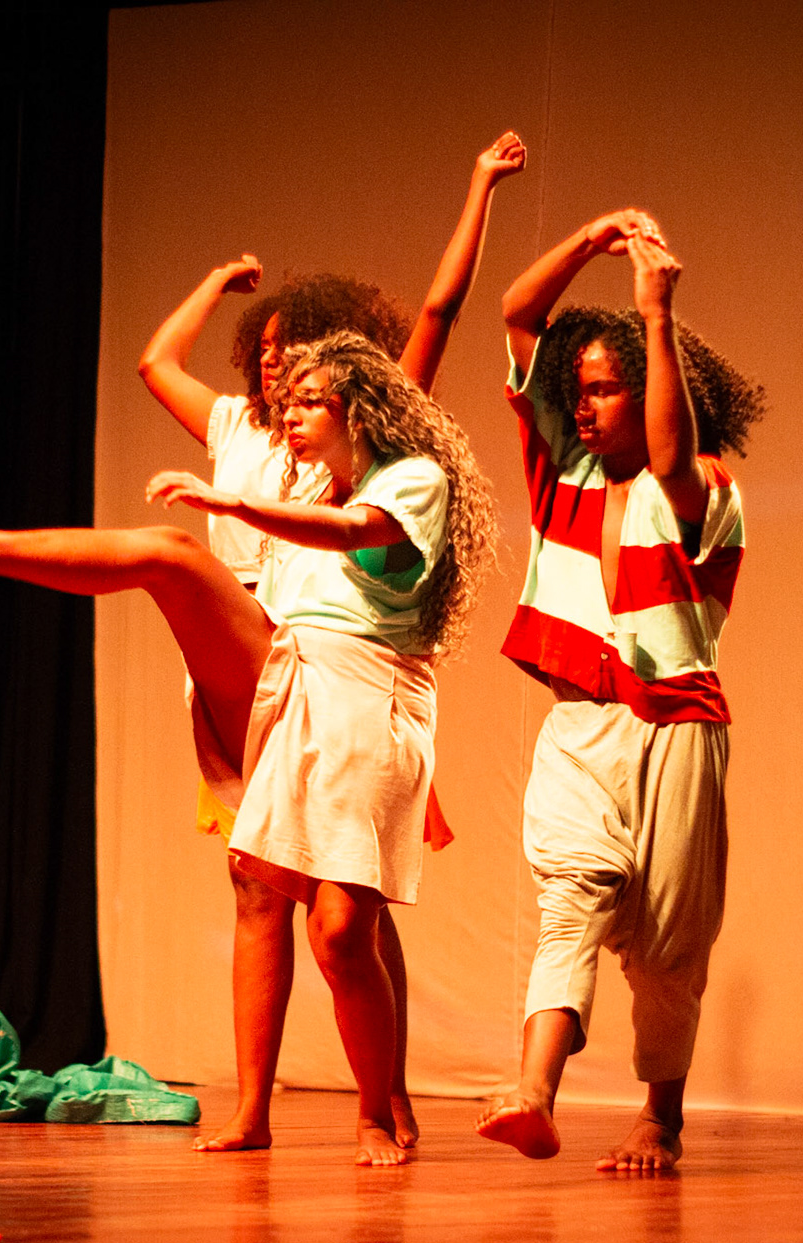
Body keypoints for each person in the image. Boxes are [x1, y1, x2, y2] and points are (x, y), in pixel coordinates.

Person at [0, 330, 497, 1165]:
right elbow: (165, 374)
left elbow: (355, 530)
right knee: (171, 555)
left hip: (367, 693)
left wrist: (234, 506)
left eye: (312, 403)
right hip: (284, 669)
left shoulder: (413, 479)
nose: (291, 417)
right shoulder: (310, 480)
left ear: (361, 410)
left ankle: (374, 1114)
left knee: (342, 933)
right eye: (288, 403)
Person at [132, 132, 525, 1153]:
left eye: (296, 351)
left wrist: (479, 186)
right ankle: (258, 1106)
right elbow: (153, 364)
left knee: (348, 906)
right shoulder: (239, 428)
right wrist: (216, 282)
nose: (275, 363)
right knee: (260, 885)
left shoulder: (356, 442)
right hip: (246, 660)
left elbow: (437, 315)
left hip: (312, 653)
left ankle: (380, 1098)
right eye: (264, 348)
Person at [474, 210, 765, 1171]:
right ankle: (534, 1093)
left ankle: (660, 1119)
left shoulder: (704, 487)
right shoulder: (565, 473)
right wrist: (589, 240)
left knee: (668, 948)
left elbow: (671, 460)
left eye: (606, 389)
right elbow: (519, 314)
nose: (588, 406)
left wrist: (656, 314)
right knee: (570, 897)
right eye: (582, 391)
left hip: (676, 729)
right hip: (579, 728)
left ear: (656, 390)